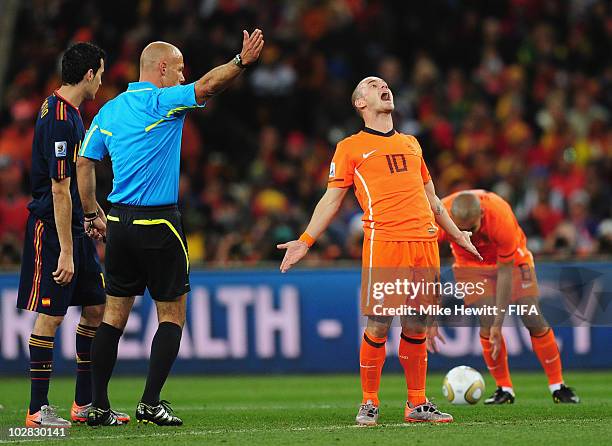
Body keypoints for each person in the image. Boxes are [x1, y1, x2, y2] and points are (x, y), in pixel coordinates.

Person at [77, 30, 264, 427]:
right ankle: (149, 402)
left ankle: (98, 406)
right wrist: (241, 62)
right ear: (161, 70)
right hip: (159, 223)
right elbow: (208, 86)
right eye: (179, 70)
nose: (183, 77)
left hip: (118, 224)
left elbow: (83, 162)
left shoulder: (108, 110)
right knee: (172, 316)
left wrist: (92, 212)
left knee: (112, 316)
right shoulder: (163, 101)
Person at [277, 76, 481, 425]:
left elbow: (432, 198)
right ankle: (369, 402)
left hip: (425, 242)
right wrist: (305, 240)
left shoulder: (412, 144)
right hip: (386, 242)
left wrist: (458, 236)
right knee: (379, 324)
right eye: (372, 85)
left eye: (384, 83)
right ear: (360, 103)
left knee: (417, 326)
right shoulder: (350, 147)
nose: (382, 85)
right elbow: (332, 199)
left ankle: (416, 404)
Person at [16, 42, 129, 427]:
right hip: (52, 231)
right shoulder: (62, 119)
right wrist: (66, 250)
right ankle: (36, 409)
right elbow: (60, 188)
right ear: (89, 74)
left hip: (73, 229)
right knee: (51, 314)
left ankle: (83, 404)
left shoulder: (68, 111)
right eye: (101, 71)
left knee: (96, 307)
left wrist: (89, 218)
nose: (102, 79)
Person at [439, 189, 580, 404]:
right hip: (470, 265)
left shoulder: (500, 216)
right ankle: (504, 389)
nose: (469, 236)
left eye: (473, 229)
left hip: (513, 261)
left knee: (531, 315)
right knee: (486, 322)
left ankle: (558, 385)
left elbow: (505, 272)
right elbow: (425, 256)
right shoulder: (439, 213)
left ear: (482, 215)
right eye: (460, 230)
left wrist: (499, 322)